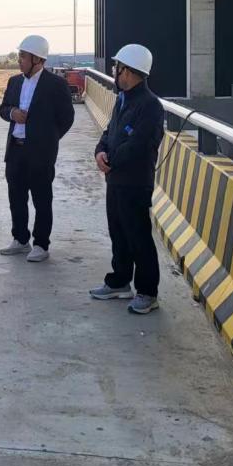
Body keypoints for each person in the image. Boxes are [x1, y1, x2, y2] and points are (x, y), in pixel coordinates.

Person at [89, 44, 165, 314]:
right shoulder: (122, 99)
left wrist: (110, 160)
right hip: (116, 180)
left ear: (129, 71)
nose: (115, 72)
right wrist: (100, 151)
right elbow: (110, 132)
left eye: (117, 68)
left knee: (138, 237)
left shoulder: (150, 106)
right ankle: (120, 281)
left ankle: (147, 292)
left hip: (134, 182)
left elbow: (139, 144)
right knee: (118, 233)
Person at [0, 35, 75, 262]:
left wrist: (49, 139)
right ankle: (21, 239)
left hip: (40, 153)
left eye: (23, 56)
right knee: (16, 198)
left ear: (38, 59)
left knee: (42, 199)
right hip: (16, 150)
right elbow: (3, 108)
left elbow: (67, 118)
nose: (19, 60)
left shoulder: (56, 85)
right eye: (19, 55)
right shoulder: (14, 82)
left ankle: (41, 244)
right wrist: (12, 113)